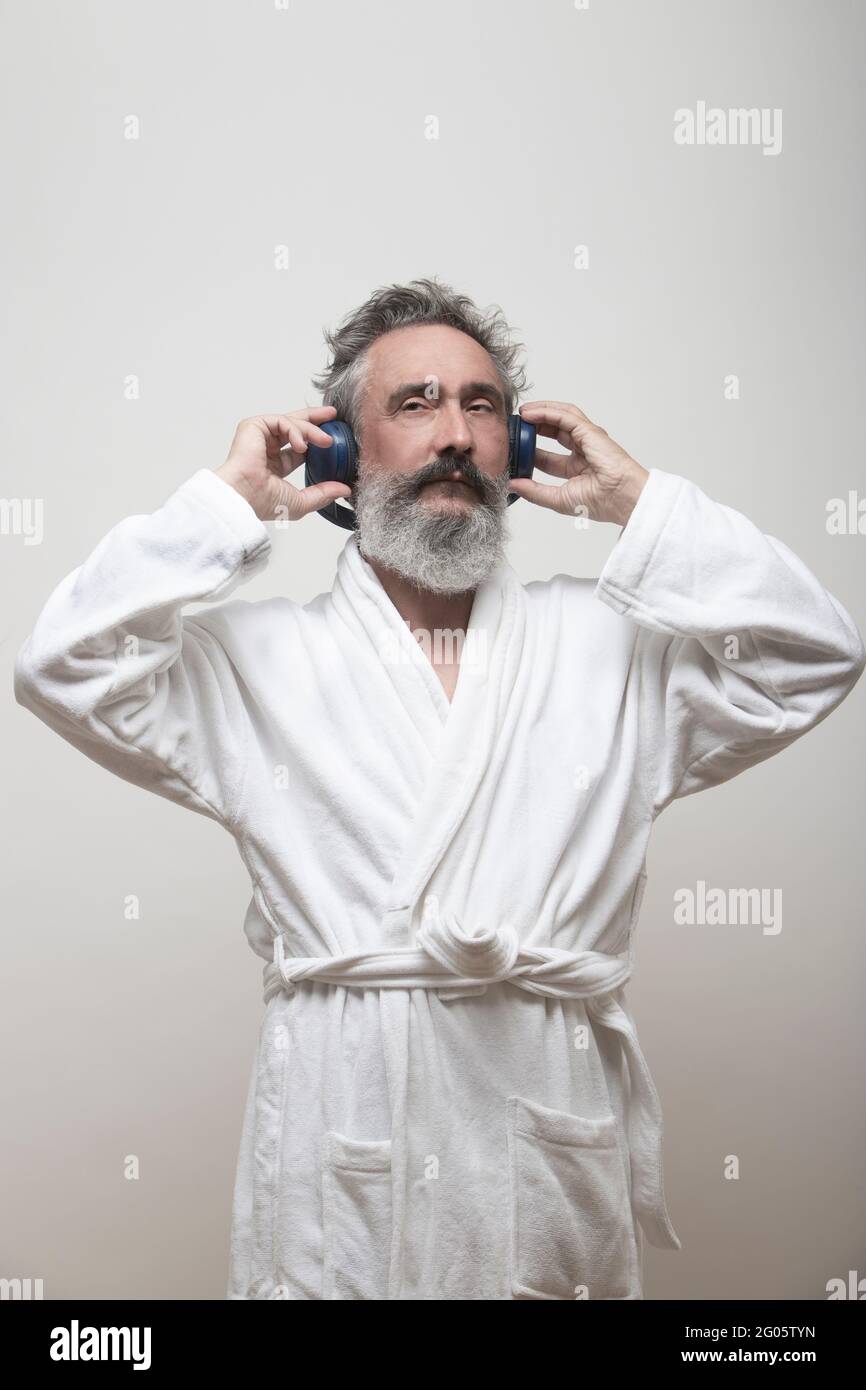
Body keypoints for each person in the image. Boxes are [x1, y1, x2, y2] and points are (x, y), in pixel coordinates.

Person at [13, 277, 865, 1300]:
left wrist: (639, 506)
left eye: (480, 406)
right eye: (413, 405)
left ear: (516, 451)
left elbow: (816, 651)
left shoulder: (608, 646)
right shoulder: (262, 662)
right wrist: (223, 508)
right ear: (341, 450)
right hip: (342, 1133)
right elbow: (60, 665)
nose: (453, 433)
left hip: (546, 1146)